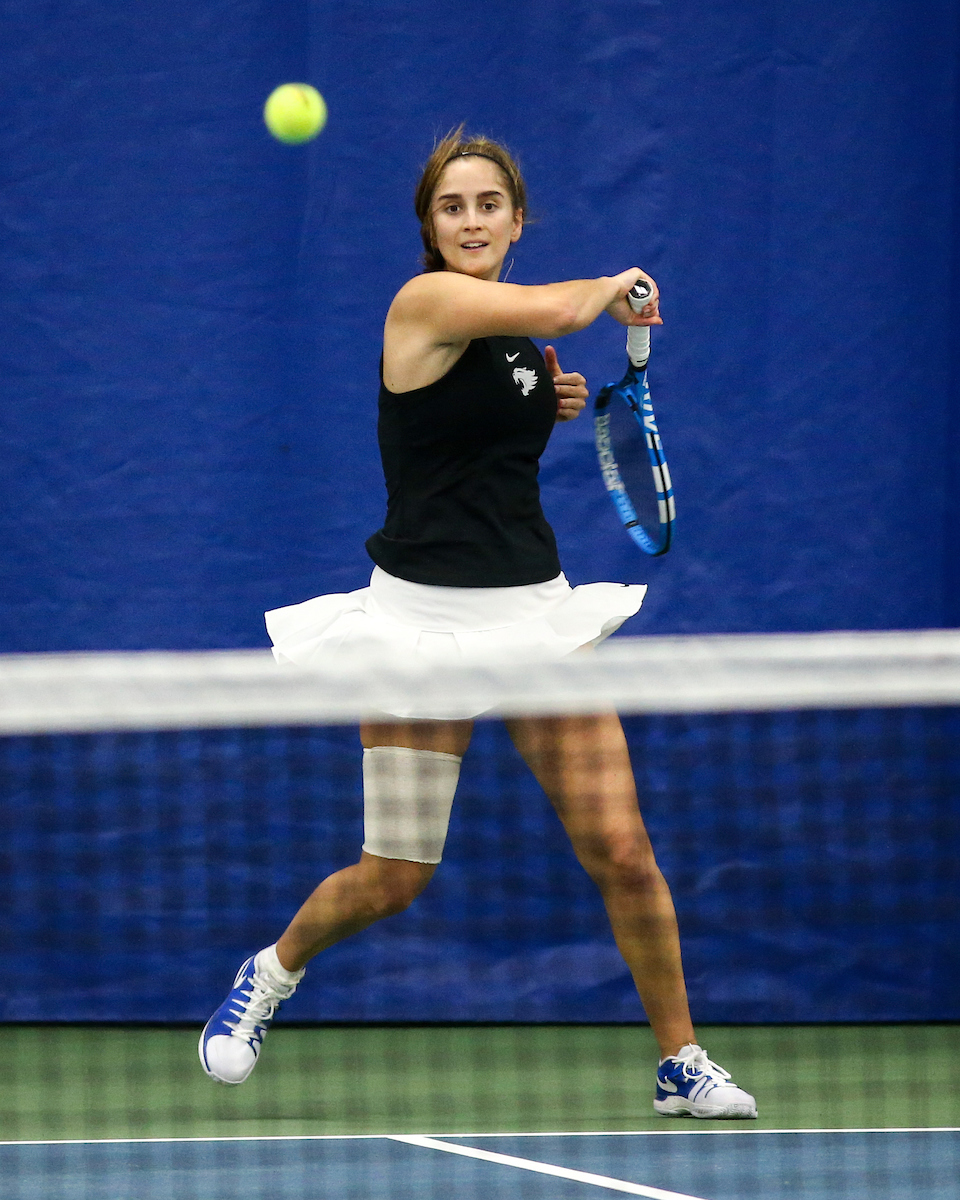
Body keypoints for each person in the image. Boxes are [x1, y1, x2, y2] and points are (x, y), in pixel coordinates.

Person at [199, 128, 757, 1120]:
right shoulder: (424, 302)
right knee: (393, 877)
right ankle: (270, 973)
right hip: (419, 628)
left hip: (536, 620)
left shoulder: (522, 347)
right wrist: (614, 288)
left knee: (624, 852)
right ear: (430, 225)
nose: (470, 221)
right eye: (451, 207)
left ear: (515, 218)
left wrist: (547, 403)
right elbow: (550, 306)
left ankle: (681, 1060)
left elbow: (477, 427)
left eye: (487, 204)